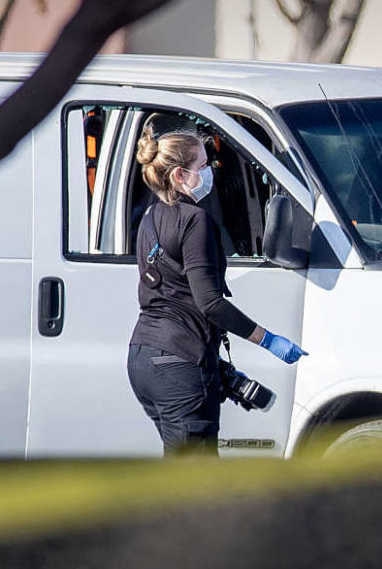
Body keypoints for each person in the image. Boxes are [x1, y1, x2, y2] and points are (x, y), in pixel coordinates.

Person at [127, 121, 307, 456]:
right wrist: (268, 340)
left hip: (144, 358)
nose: (210, 172)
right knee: (196, 480)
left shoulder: (151, 215)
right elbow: (209, 303)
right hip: (180, 361)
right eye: (203, 166)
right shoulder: (194, 220)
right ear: (181, 175)